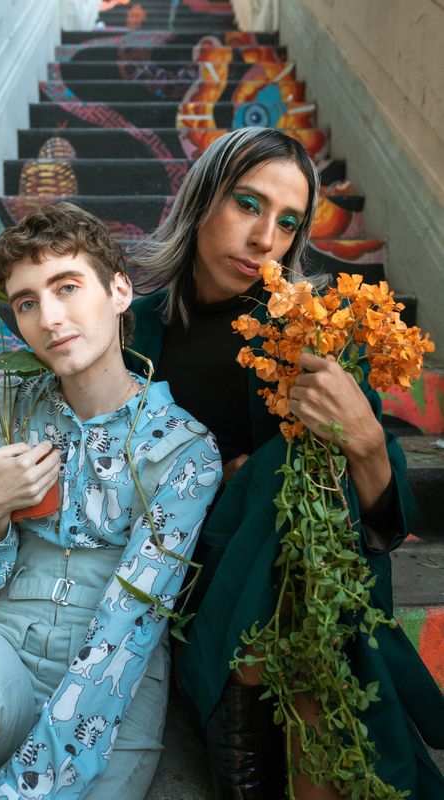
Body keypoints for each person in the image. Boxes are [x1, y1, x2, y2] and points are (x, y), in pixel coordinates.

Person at [125, 127, 444, 798]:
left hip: (302, 568)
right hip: (182, 570)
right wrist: (214, 482)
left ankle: (243, 732)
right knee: (271, 472)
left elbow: (385, 526)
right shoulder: (128, 332)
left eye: (288, 222)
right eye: (247, 203)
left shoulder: (307, 329)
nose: (265, 237)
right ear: (201, 197)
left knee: (276, 470)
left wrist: (361, 439)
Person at [0, 202, 222, 800]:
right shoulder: (10, 410)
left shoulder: (183, 451)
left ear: (121, 292)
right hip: (2, 655)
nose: (50, 318)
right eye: (27, 301)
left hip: (113, 695)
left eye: (68, 286)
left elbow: (129, 630)